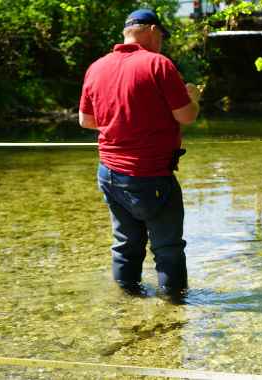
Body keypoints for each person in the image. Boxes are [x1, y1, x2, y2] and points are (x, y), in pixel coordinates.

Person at [78, 9, 201, 295]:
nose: (162, 42)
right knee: (168, 247)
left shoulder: (96, 67)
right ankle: (174, 309)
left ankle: (127, 301)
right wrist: (193, 98)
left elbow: (86, 121)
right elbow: (186, 116)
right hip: (151, 175)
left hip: (109, 173)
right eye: (162, 36)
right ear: (153, 30)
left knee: (125, 245)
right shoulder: (159, 65)